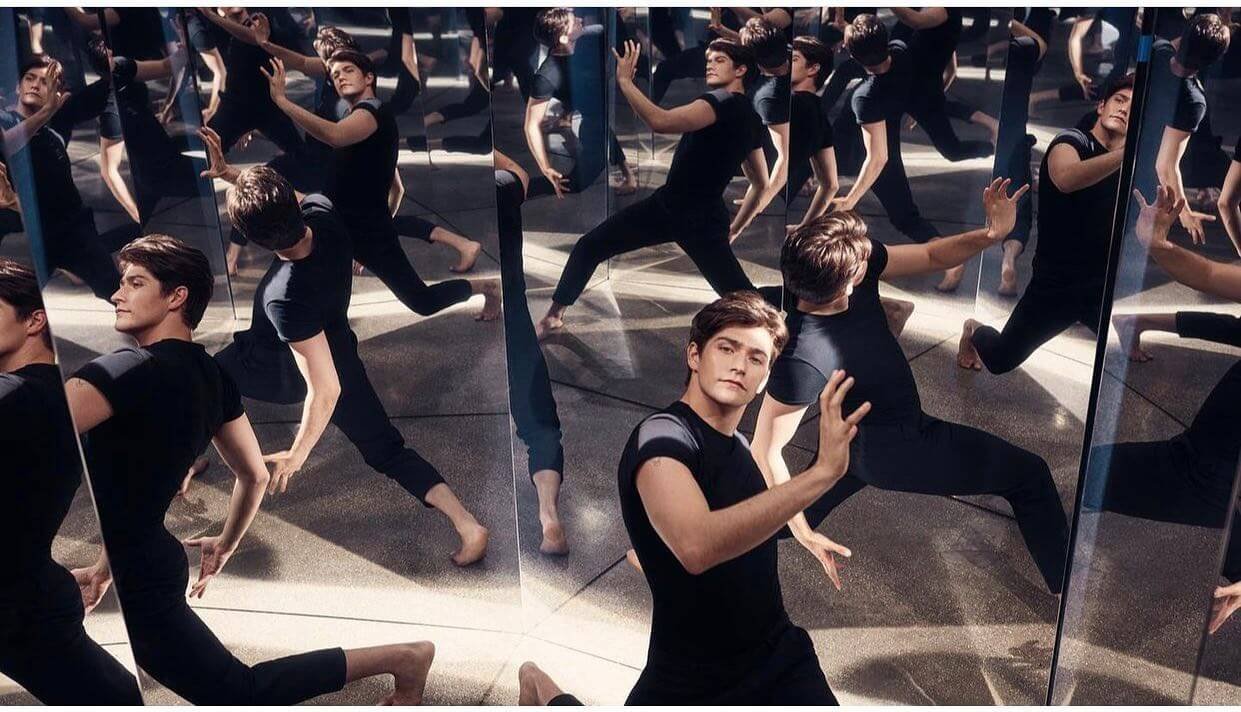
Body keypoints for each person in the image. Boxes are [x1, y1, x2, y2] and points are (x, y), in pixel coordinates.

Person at [64, 235, 438, 704]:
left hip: (145, 575)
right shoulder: (212, 374)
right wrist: (222, 544)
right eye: (122, 283)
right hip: (146, 562)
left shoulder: (125, 370)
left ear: (176, 296)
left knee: (236, 692)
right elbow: (252, 475)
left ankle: (402, 658)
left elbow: (32, 437)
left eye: (135, 283)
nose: (117, 294)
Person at [752, 180, 1071, 595]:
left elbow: (931, 254)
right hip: (896, 449)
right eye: (862, 264)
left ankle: (699, 544)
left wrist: (991, 235)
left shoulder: (838, 266)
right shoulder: (804, 355)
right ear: (845, 285)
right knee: (1030, 476)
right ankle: (1068, 592)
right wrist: (803, 533)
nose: (870, 257)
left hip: (852, 442)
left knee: (766, 523)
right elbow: (765, 449)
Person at [195, 143, 492, 564]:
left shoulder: (285, 295)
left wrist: (296, 455)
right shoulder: (322, 215)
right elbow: (284, 200)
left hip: (271, 365)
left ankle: (187, 460)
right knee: (386, 449)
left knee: (201, 381)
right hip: (337, 351)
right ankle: (468, 524)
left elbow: (325, 389)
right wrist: (231, 175)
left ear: (257, 240)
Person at [619, 292, 866, 703]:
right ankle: (543, 689)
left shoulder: (737, 445)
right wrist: (822, 473)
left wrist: (803, 533)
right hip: (691, 676)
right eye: (727, 348)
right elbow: (696, 546)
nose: (739, 364)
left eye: (756, 358)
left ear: (766, 377)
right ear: (694, 356)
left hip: (779, 657)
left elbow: (750, 509)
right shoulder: (663, 435)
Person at [535, 39, 770, 340]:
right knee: (741, 295)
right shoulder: (751, 117)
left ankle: (554, 314)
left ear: (741, 69)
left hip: (674, 209)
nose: (709, 63)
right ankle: (793, 314)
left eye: (719, 59)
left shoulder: (718, 102)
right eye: (709, 58)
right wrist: (736, 225)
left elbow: (660, 121)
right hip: (703, 217)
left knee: (589, 246)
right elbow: (761, 182)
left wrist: (624, 81)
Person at [1096, 185, 1241, 635]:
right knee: (1090, 475)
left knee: (1092, 477)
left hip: (1208, 479)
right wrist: (1156, 244)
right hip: (1202, 461)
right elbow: (1208, 273)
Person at [259, 53, 499, 319]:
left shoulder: (373, 113)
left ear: (369, 77)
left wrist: (282, 101)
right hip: (340, 227)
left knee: (422, 302)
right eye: (335, 75)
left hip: (368, 233)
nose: (340, 77)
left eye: (348, 70)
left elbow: (335, 137)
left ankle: (487, 287)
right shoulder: (356, 121)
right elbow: (397, 188)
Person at [0, 259, 143, 705]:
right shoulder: (55, 397)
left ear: (35, 320)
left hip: (20, 601)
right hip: (30, 596)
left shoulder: (17, 395)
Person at [251, 21, 483, 274]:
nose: (330, 71)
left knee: (359, 216)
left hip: (344, 164)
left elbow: (339, 135)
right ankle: (461, 243)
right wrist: (265, 44)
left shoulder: (347, 99)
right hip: (342, 161)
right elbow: (302, 62)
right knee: (375, 217)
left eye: (325, 58)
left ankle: (461, 244)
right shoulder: (335, 71)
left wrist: (283, 101)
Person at [958, 76, 1134, 374]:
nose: (1125, 109)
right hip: (1056, 285)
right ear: (1101, 105)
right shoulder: (1071, 141)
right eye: (1119, 100)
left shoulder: (1125, 164)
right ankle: (973, 329)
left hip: (1100, 286)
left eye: (1133, 107)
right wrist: (1125, 156)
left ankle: (1130, 338)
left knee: (1122, 351)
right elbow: (1067, 178)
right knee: (1000, 360)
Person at [830, 14, 961, 291]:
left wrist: (852, 198)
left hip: (874, 141)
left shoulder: (865, 96)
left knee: (903, 216)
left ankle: (950, 261)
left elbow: (877, 158)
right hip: (883, 129)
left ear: (854, 55)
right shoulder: (900, 52)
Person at [0, 55, 134, 300]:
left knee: (115, 290)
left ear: (58, 92)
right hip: (24, 232)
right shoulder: (5, 119)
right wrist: (49, 110)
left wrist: (116, 63)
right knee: (18, 304)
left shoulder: (58, 121)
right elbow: (6, 144)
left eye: (45, 82)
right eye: (29, 78)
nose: (35, 85)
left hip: (72, 229)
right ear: (18, 86)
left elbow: (111, 82)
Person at [495, 150, 568, 555]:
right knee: (539, 422)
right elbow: (518, 174)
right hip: (514, 314)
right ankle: (548, 514)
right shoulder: (504, 186)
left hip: (463, 310)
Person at [524, 8, 637, 199]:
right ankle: (517, 188)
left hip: (594, 112)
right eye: (572, 21)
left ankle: (629, 176)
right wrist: (545, 167)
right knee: (575, 184)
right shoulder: (547, 76)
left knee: (598, 119)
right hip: (591, 122)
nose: (579, 19)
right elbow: (531, 124)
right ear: (563, 38)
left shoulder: (586, 38)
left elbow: (608, 29)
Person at [1142, 14, 1230, 243]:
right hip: (1147, 163)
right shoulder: (1192, 99)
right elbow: (1165, 165)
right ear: (1213, 61)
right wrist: (1184, 213)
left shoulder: (1155, 50)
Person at [991, 10, 1055, 295]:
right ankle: (1008, 258)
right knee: (1018, 201)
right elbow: (1040, 46)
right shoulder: (1027, 45)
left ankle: (955, 264)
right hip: (1011, 136)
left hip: (986, 129)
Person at [737, 16, 791, 215]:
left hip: (769, 146)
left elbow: (785, 157)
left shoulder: (769, 97)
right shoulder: (788, 55)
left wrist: (760, 202)